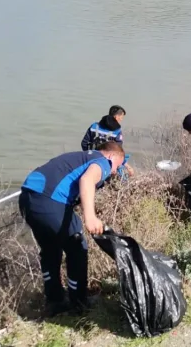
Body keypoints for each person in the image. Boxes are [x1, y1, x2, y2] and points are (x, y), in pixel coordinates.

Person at [18, 142, 125, 316]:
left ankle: (55, 301)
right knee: (77, 247)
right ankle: (79, 302)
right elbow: (87, 180)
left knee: (50, 250)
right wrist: (90, 216)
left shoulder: (82, 157)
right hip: (50, 201)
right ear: (111, 156)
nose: (113, 172)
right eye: (116, 167)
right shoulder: (102, 161)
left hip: (27, 199)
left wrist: (123, 163)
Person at [81, 105, 134, 178]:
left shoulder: (94, 126)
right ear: (116, 117)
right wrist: (128, 166)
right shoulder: (117, 132)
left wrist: (89, 155)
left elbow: (84, 143)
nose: (121, 120)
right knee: (122, 178)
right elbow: (118, 152)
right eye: (121, 117)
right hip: (107, 163)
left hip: (90, 159)